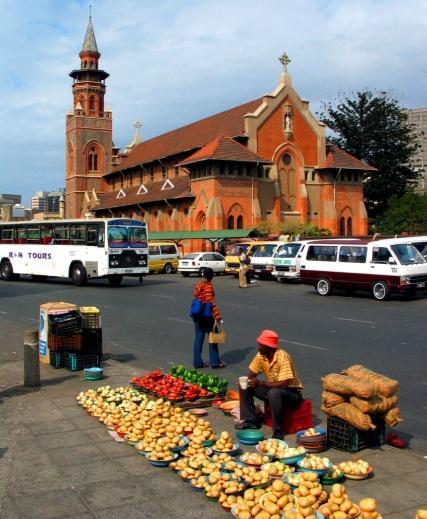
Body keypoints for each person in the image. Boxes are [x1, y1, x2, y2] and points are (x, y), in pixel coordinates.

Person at [236, 329, 303, 439]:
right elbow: (251, 374)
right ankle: (251, 420)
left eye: (260, 345)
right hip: (273, 389)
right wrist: (245, 381)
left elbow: (284, 384)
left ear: (268, 347)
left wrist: (261, 382)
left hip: (292, 393)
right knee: (245, 385)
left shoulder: (283, 357)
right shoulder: (261, 355)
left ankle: (278, 430)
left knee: (274, 393)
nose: (258, 347)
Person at [192, 268, 226, 369]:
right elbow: (211, 303)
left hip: (197, 315)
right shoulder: (208, 287)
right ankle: (214, 362)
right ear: (212, 276)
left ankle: (197, 363)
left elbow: (195, 296)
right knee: (213, 338)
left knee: (198, 339)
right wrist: (218, 317)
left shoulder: (199, 285)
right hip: (206, 317)